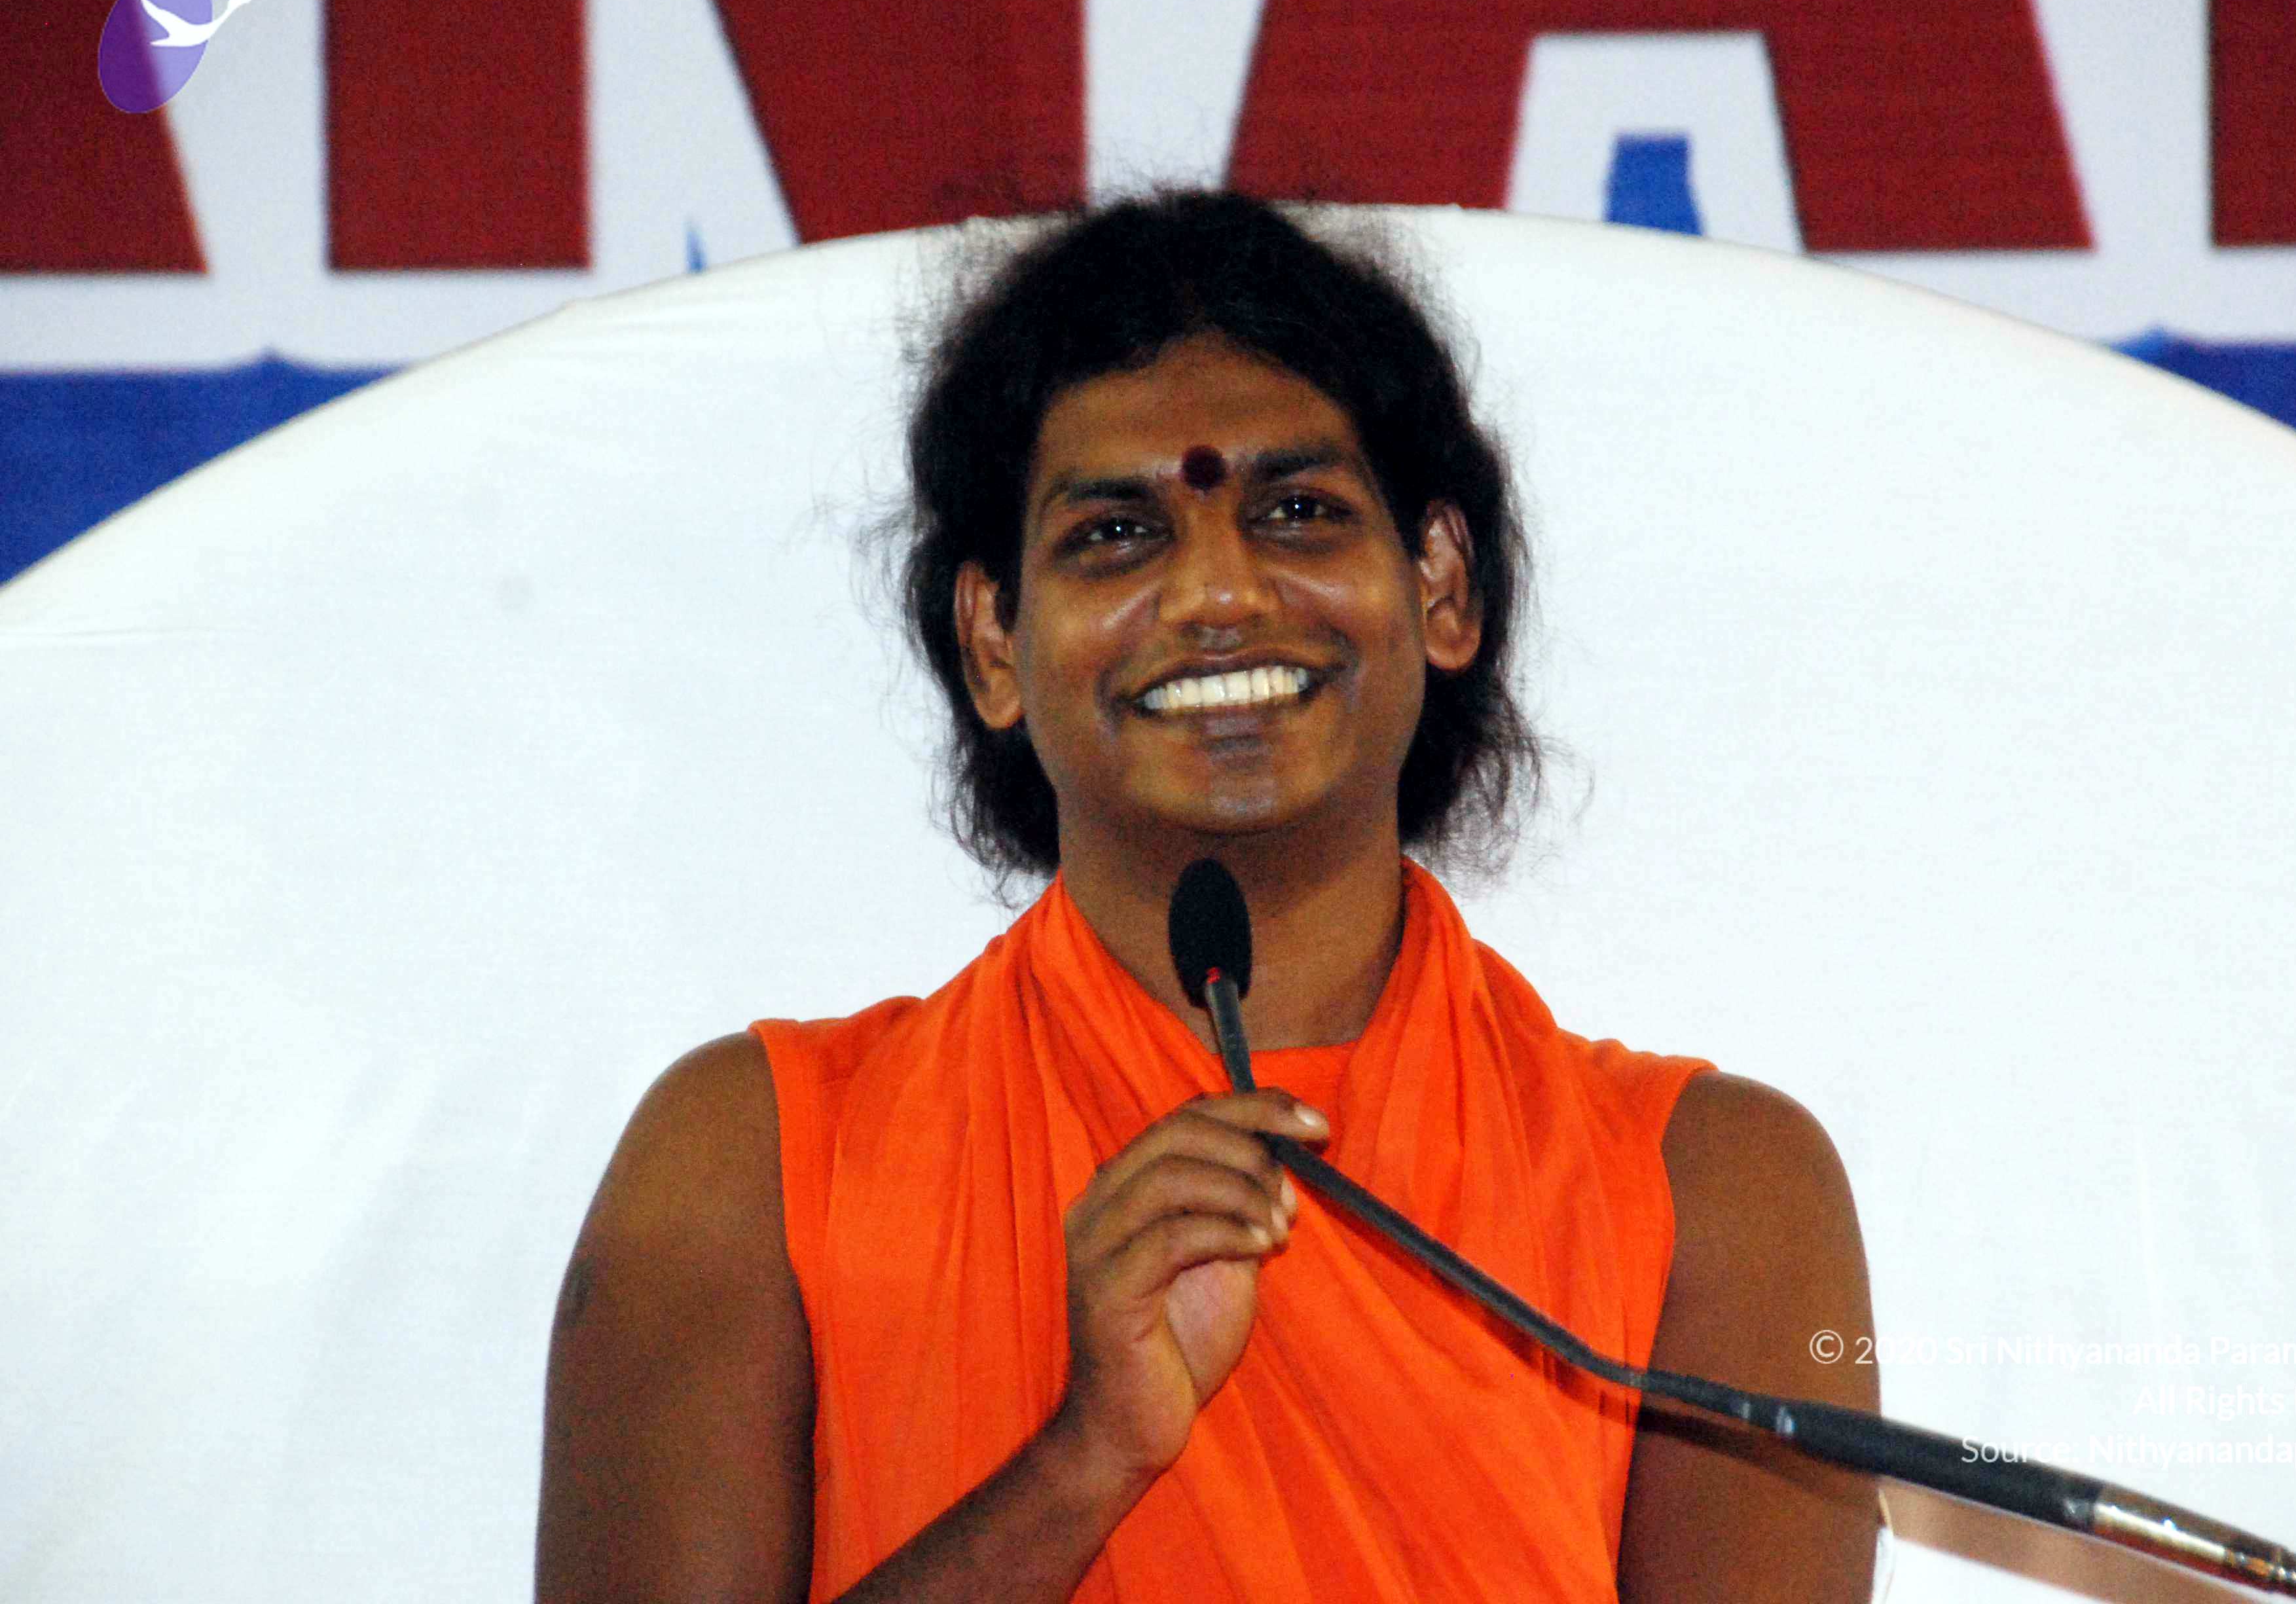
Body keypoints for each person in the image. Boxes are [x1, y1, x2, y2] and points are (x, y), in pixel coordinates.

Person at [534, 191, 1880, 1602]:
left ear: (1440, 587)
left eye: (1298, 513)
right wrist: (1087, 1460)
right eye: (1117, 535)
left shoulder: (1715, 1194)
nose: (1219, 594)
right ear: (992, 644)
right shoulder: (749, 1170)